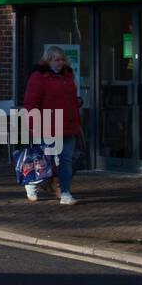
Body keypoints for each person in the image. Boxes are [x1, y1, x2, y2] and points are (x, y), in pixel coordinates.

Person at [23, 46, 83, 205]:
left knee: (67, 160)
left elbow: (70, 99)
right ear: (48, 60)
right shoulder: (39, 76)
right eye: (56, 59)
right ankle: (32, 183)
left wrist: (77, 107)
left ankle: (65, 192)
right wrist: (32, 123)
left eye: (62, 59)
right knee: (45, 160)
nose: (60, 63)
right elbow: (31, 102)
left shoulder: (68, 75)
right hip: (47, 124)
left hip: (68, 124)